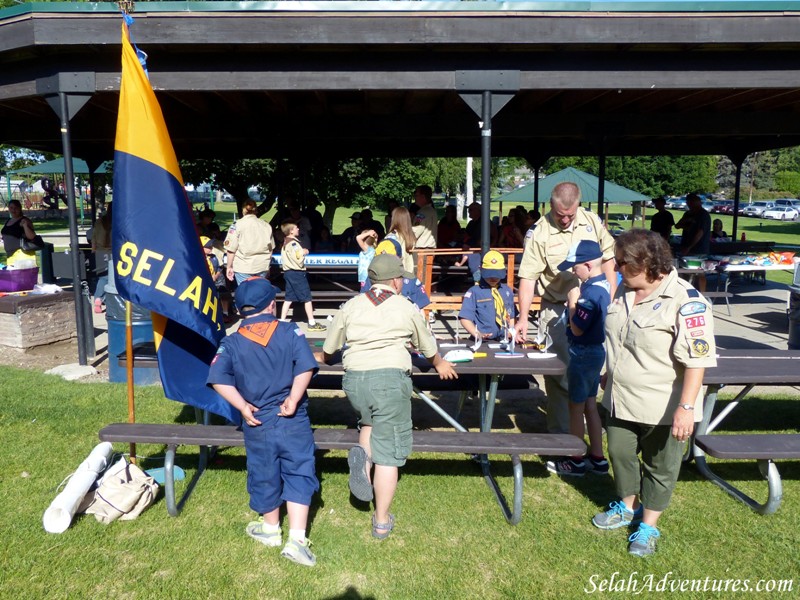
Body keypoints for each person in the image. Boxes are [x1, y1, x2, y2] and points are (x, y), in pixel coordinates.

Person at [592, 229, 716, 557]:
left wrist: (686, 407)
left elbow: (697, 360)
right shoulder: (625, 289)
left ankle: (648, 526)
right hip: (620, 397)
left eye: (623, 262)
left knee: (660, 466)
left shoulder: (688, 302)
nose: (616, 268)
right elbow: (617, 337)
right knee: (619, 452)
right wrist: (608, 372)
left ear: (647, 263)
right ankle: (628, 506)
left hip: (664, 404)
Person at [317, 254, 457, 539]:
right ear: (395, 280)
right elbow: (426, 345)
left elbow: (330, 347)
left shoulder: (351, 305)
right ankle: (381, 520)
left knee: (369, 422)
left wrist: (325, 355)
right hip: (389, 379)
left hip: (355, 380)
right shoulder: (406, 306)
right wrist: (439, 362)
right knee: (390, 455)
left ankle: (363, 460)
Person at [207, 278, 319, 567]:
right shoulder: (290, 330)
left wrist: (243, 406)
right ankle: (296, 539)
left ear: (242, 310)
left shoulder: (230, 342)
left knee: (263, 471)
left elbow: (218, 379)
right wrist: (293, 399)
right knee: (299, 470)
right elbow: (306, 366)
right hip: (293, 419)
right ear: (272, 304)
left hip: (257, 422)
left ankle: (270, 529)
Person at [514, 182, 616, 434]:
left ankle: (588, 425)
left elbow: (610, 260)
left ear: (579, 205)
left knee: (592, 369)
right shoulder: (539, 232)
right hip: (557, 309)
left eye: (571, 214)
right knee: (559, 373)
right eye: (560, 215)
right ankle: (562, 437)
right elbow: (527, 277)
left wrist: (611, 301)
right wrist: (523, 318)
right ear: (551, 206)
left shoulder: (592, 221)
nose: (566, 219)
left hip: (594, 307)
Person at [545, 240, 610, 477]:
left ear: (588, 264)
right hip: (595, 352)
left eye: (575, 266)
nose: (573, 271)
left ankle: (575, 459)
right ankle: (598, 457)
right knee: (590, 405)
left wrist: (572, 302)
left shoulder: (590, 292)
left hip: (582, 352)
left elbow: (579, 328)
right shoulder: (603, 286)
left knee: (576, 406)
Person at [279, 220, 326, 332]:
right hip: (297, 273)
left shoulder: (285, 242)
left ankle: (282, 321)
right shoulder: (294, 244)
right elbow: (298, 258)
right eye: (296, 228)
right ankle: (311, 322)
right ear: (291, 231)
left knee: (289, 298)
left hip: (288, 273)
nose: (298, 229)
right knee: (307, 298)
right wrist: (304, 252)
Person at [458, 250, 516, 341]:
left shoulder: (507, 291)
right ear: (480, 269)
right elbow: (465, 318)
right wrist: (477, 334)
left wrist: (512, 332)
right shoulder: (474, 292)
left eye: (497, 275)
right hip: (481, 341)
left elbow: (511, 315)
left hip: (505, 339)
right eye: (489, 275)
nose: (493, 278)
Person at [224, 199, 276, 285]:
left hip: (243, 267)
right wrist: (267, 266)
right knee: (260, 293)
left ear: (243, 210)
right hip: (262, 266)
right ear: (256, 210)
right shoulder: (266, 225)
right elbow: (270, 249)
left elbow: (231, 249)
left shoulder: (237, 225)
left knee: (246, 294)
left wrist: (229, 267)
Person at [676, 193, 711, 291]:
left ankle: (702, 294)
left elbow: (700, 232)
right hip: (685, 246)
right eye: (688, 202)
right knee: (684, 271)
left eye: (691, 202)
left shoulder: (703, 215)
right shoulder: (687, 214)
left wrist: (689, 247)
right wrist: (687, 220)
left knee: (700, 273)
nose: (689, 204)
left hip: (699, 248)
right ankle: (686, 292)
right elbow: (677, 226)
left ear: (698, 202)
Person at [92, 203, 113, 314]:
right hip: (113, 252)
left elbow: (93, 238)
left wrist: (93, 250)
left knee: (103, 278)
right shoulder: (119, 222)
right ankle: (106, 300)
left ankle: (98, 298)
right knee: (112, 279)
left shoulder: (99, 222)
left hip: (100, 253)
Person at [384, 206, 416, 273]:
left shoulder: (392, 236)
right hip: (408, 273)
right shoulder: (411, 235)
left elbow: (385, 256)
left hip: (396, 274)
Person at [411, 184, 438, 250]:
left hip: (422, 251)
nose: (415, 198)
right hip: (429, 248)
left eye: (416, 195)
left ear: (423, 197)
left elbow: (415, 232)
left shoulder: (422, 213)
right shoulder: (432, 211)